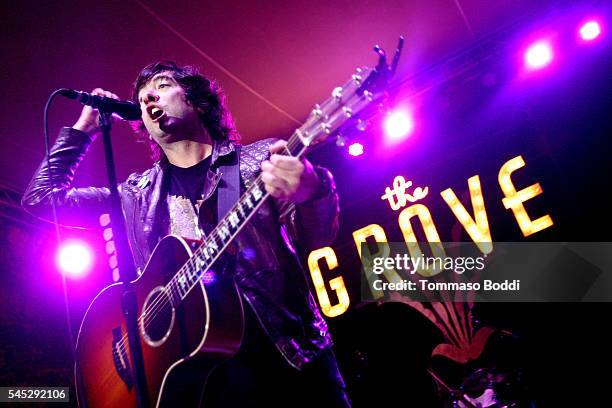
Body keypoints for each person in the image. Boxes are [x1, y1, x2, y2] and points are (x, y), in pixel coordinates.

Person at [22, 61, 350, 407]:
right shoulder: (136, 195)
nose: (148, 96)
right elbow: (42, 200)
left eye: (162, 86)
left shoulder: (256, 162)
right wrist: (82, 130)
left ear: (197, 101)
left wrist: (313, 190)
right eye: (142, 96)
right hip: (200, 383)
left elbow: (317, 238)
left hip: (288, 364)